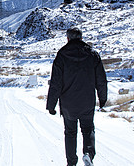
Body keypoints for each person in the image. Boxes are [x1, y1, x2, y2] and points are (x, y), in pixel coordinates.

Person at [46, 27, 107, 166]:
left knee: (70, 133)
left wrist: (51, 105)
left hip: (68, 104)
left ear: (67, 38)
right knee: (88, 129)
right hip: (87, 101)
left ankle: (72, 162)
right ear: (81, 38)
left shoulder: (61, 55)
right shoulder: (92, 54)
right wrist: (102, 99)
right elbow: (101, 79)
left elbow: (56, 83)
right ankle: (88, 154)